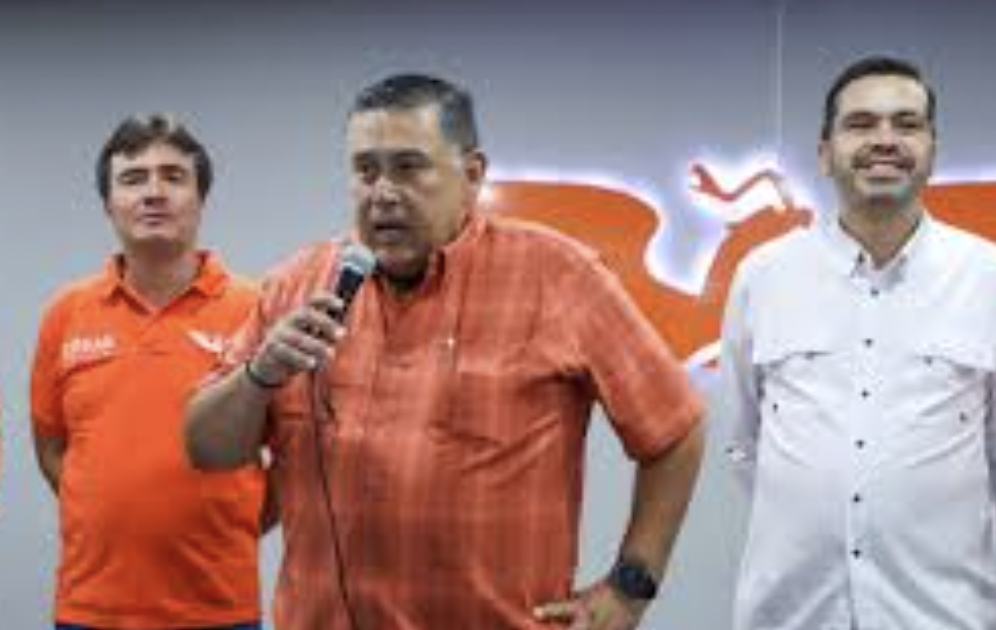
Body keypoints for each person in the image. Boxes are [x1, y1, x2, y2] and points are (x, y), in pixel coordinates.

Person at [186, 73, 704, 630]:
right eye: (366, 170)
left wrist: (630, 588)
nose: (383, 192)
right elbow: (207, 448)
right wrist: (260, 373)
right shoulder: (298, 284)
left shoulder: (558, 275)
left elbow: (675, 431)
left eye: (409, 167)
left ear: (472, 175)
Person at [719, 55, 996, 630]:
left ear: (932, 150)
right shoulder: (764, 275)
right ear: (825, 153)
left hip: (942, 615)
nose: (885, 140)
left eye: (907, 124)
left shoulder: (985, 277)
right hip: (793, 616)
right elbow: (746, 443)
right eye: (861, 124)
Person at [30, 114, 271, 630]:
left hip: (218, 608)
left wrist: (231, 525)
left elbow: (295, 461)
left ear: (200, 198)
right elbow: (51, 448)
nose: (154, 193)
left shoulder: (257, 308)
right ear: (109, 203)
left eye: (173, 177)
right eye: (133, 179)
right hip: (89, 609)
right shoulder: (65, 312)